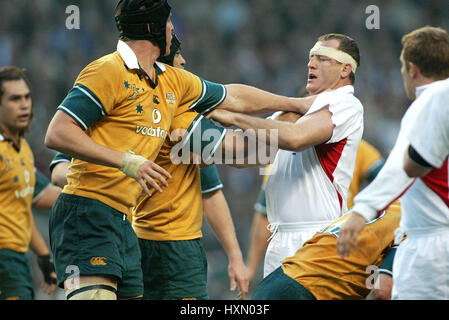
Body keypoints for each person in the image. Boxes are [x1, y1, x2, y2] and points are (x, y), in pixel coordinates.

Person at [44, 0, 313, 300]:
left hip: (125, 224)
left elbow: (233, 98)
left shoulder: (171, 86)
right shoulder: (108, 72)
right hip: (96, 216)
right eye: (169, 21)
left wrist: (295, 104)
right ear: (153, 27)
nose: (174, 28)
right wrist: (126, 162)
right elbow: (57, 133)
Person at [49, 35, 249, 300]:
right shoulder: (177, 119)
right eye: (179, 58)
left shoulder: (150, 112)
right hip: (171, 246)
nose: (185, 62)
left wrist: (235, 255)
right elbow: (246, 153)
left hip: (133, 235)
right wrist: (284, 127)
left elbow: (211, 191)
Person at [210, 33, 364, 278]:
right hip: (281, 239)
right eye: (311, 57)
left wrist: (234, 117)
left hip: (317, 237)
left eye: (322, 59)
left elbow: (295, 139)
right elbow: (241, 155)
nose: (311, 64)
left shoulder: (346, 104)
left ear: (345, 69)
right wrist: (188, 130)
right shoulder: (291, 115)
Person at [337, 26, 449, 300]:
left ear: (411, 69)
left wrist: (362, 209)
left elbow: (405, 165)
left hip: (433, 244)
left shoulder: (433, 99)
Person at [246, 139, 384, 284]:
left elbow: (387, 183)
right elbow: (265, 215)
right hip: (293, 250)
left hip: (341, 243)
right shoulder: (279, 154)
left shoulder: (353, 144)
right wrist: (251, 267)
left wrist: (364, 213)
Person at [252, 202, 401, 300]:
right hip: (305, 292)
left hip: (280, 280)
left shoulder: (382, 205)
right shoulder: (412, 224)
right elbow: (382, 292)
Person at [0, 66, 59, 300]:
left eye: (27, 97)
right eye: (15, 99)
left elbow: (25, 205)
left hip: (18, 259)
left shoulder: (22, 149)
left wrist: (44, 256)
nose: (24, 104)